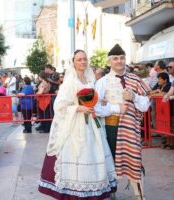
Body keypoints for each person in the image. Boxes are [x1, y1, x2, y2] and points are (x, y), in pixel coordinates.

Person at [39, 50, 117, 200]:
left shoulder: (90, 80)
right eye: (79, 59)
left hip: (91, 125)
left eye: (84, 59)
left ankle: (94, 190)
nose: (83, 62)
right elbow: (59, 106)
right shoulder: (69, 82)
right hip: (75, 125)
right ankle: (75, 192)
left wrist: (98, 105)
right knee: (78, 155)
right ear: (73, 62)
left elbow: (95, 99)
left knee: (93, 154)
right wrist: (78, 108)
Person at [95, 44, 150, 200]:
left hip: (130, 128)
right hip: (110, 128)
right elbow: (96, 108)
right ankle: (110, 193)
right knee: (109, 162)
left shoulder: (135, 79)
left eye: (122, 58)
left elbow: (145, 106)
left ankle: (139, 196)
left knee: (134, 161)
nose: (119, 61)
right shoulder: (102, 82)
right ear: (109, 62)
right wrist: (116, 108)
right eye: (115, 58)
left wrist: (134, 97)